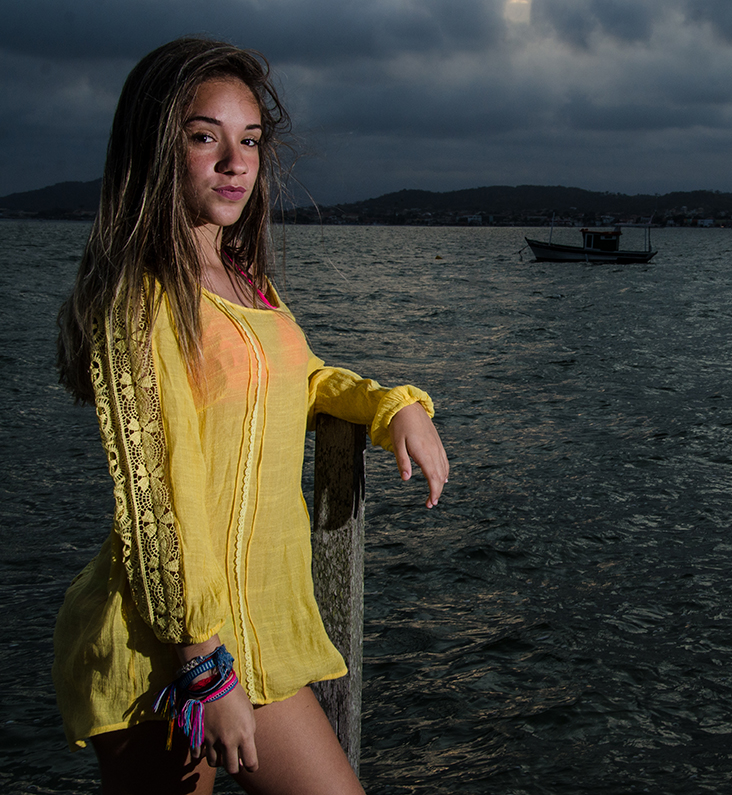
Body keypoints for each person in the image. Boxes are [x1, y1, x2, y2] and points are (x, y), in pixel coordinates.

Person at [53, 38, 449, 795]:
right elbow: (158, 503)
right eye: (206, 137)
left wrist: (394, 406)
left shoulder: (242, 280)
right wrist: (202, 665)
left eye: (251, 140)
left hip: (257, 636)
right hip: (166, 653)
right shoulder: (140, 300)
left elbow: (303, 378)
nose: (237, 161)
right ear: (156, 147)